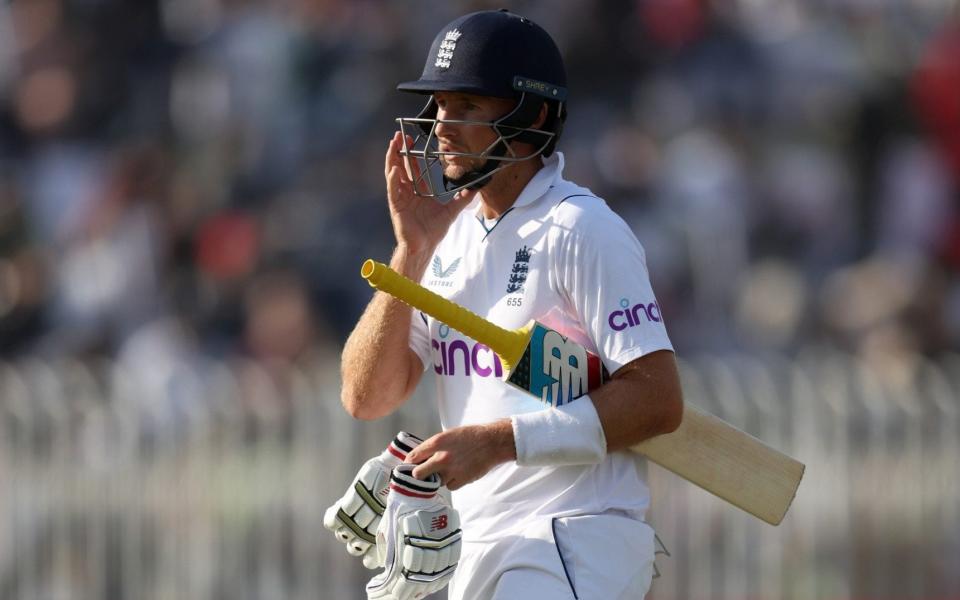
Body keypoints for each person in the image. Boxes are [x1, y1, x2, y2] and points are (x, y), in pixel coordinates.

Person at [337, 9, 683, 599]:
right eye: (440, 106)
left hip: (574, 540)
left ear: (534, 113)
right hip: (477, 542)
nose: (443, 127)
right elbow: (367, 397)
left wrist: (497, 442)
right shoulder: (447, 240)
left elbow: (657, 401)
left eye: (468, 107)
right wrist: (409, 252)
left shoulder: (581, 229)